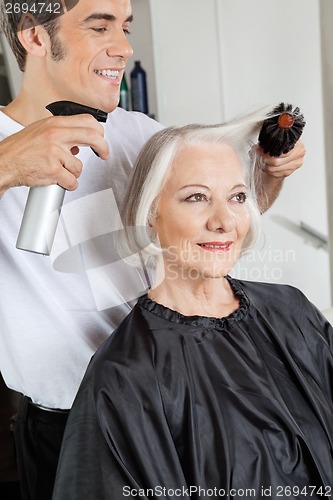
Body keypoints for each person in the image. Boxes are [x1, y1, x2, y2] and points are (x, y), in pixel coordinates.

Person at [0, 0, 305, 498]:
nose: (123, 48)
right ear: (34, 35)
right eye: (100, 27)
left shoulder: (137, 133)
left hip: (175, 406)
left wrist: (266, 180)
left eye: (125, 27)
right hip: (68, 429)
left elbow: (209, 232)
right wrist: (7, 165)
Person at [53, 110, 333, 500]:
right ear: (152, 211)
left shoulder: (292, 310)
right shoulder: (124, 374)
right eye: (197, 197)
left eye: (236, 197)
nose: (224, 221)